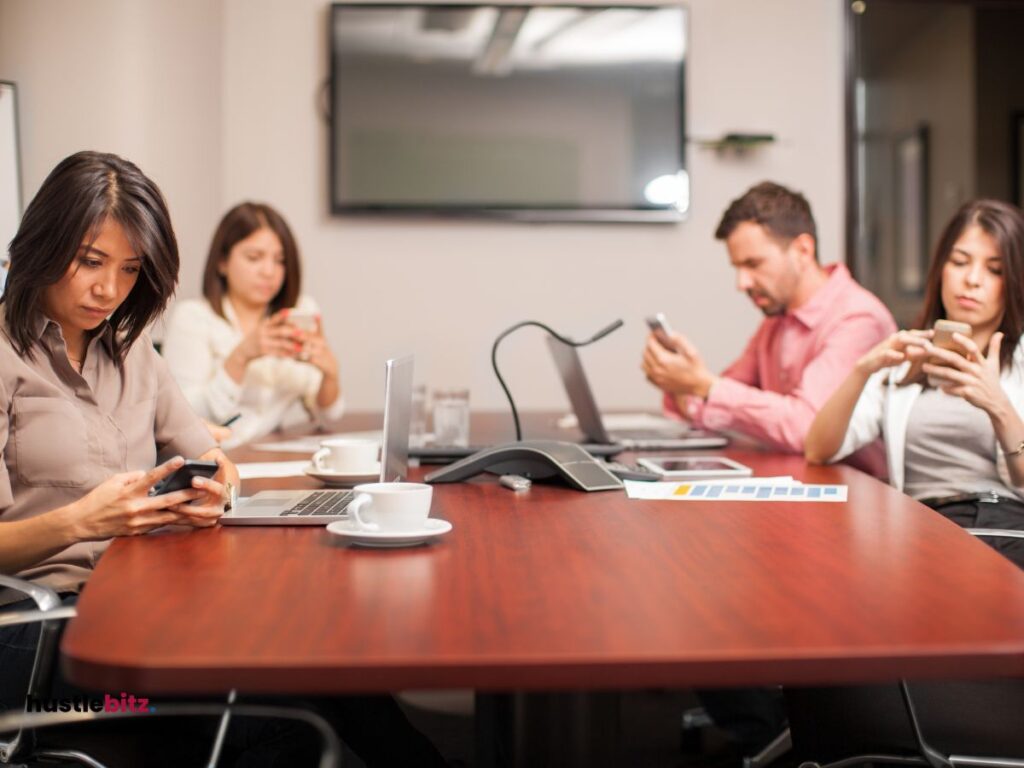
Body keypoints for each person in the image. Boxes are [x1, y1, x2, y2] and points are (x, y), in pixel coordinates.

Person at [0, 152, 445, 767]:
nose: (109, 289)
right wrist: (82, 521)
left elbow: (212, 456)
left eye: (130, 270)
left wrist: (216, 488)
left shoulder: (133, 355)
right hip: (54, 659)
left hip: (143, 607)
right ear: (44, 245)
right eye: (90, 261)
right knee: (278, 719)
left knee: (318, 650)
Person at [806, 199, 1024, 567]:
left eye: (994, 269)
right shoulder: (905, 359)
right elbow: (818, 449)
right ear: (940, 269)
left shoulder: (1019, 360)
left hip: (999, 526)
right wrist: (862, 370)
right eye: (959, 262)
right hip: (918, 526)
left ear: (1014, 281)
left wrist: (998, 406)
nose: (972, 279)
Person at [642, 181, 896, 463]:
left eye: (753, 264)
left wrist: (704, 385)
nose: (742, 283)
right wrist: (682, 381)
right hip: (799, 482)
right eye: (737, 267)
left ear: (803, 250)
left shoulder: (858, 319)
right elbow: (713, 407)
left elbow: (808, 429)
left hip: (857, 491)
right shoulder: (777, 319)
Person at [162, 203, 343, 448]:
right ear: (222, 262)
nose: (269, 271)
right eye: (254, 258)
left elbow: (327, 416)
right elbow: (183, 420)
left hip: (265, 457)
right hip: (212, 462)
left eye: (280, 260)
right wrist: (242, 356)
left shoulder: (299, 312)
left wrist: (329, 374)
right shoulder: (193, 318)